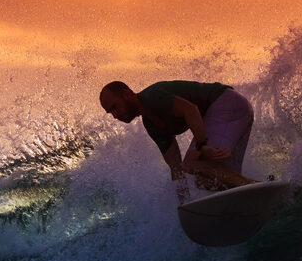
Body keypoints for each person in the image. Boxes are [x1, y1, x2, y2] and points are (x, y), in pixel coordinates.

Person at [99, 80, 257, 202]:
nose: (115, 115)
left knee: (192, 163)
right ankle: (258, 192)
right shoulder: (152, 126)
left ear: (127, 95)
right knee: (205, 182)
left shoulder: (152, 97)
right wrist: (184, 204)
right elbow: (176, 170)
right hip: (232, 111)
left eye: (115, 107)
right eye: (110, 112)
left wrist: (203, 146)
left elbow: (191, 109)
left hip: (228, 103)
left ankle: (253, 188)